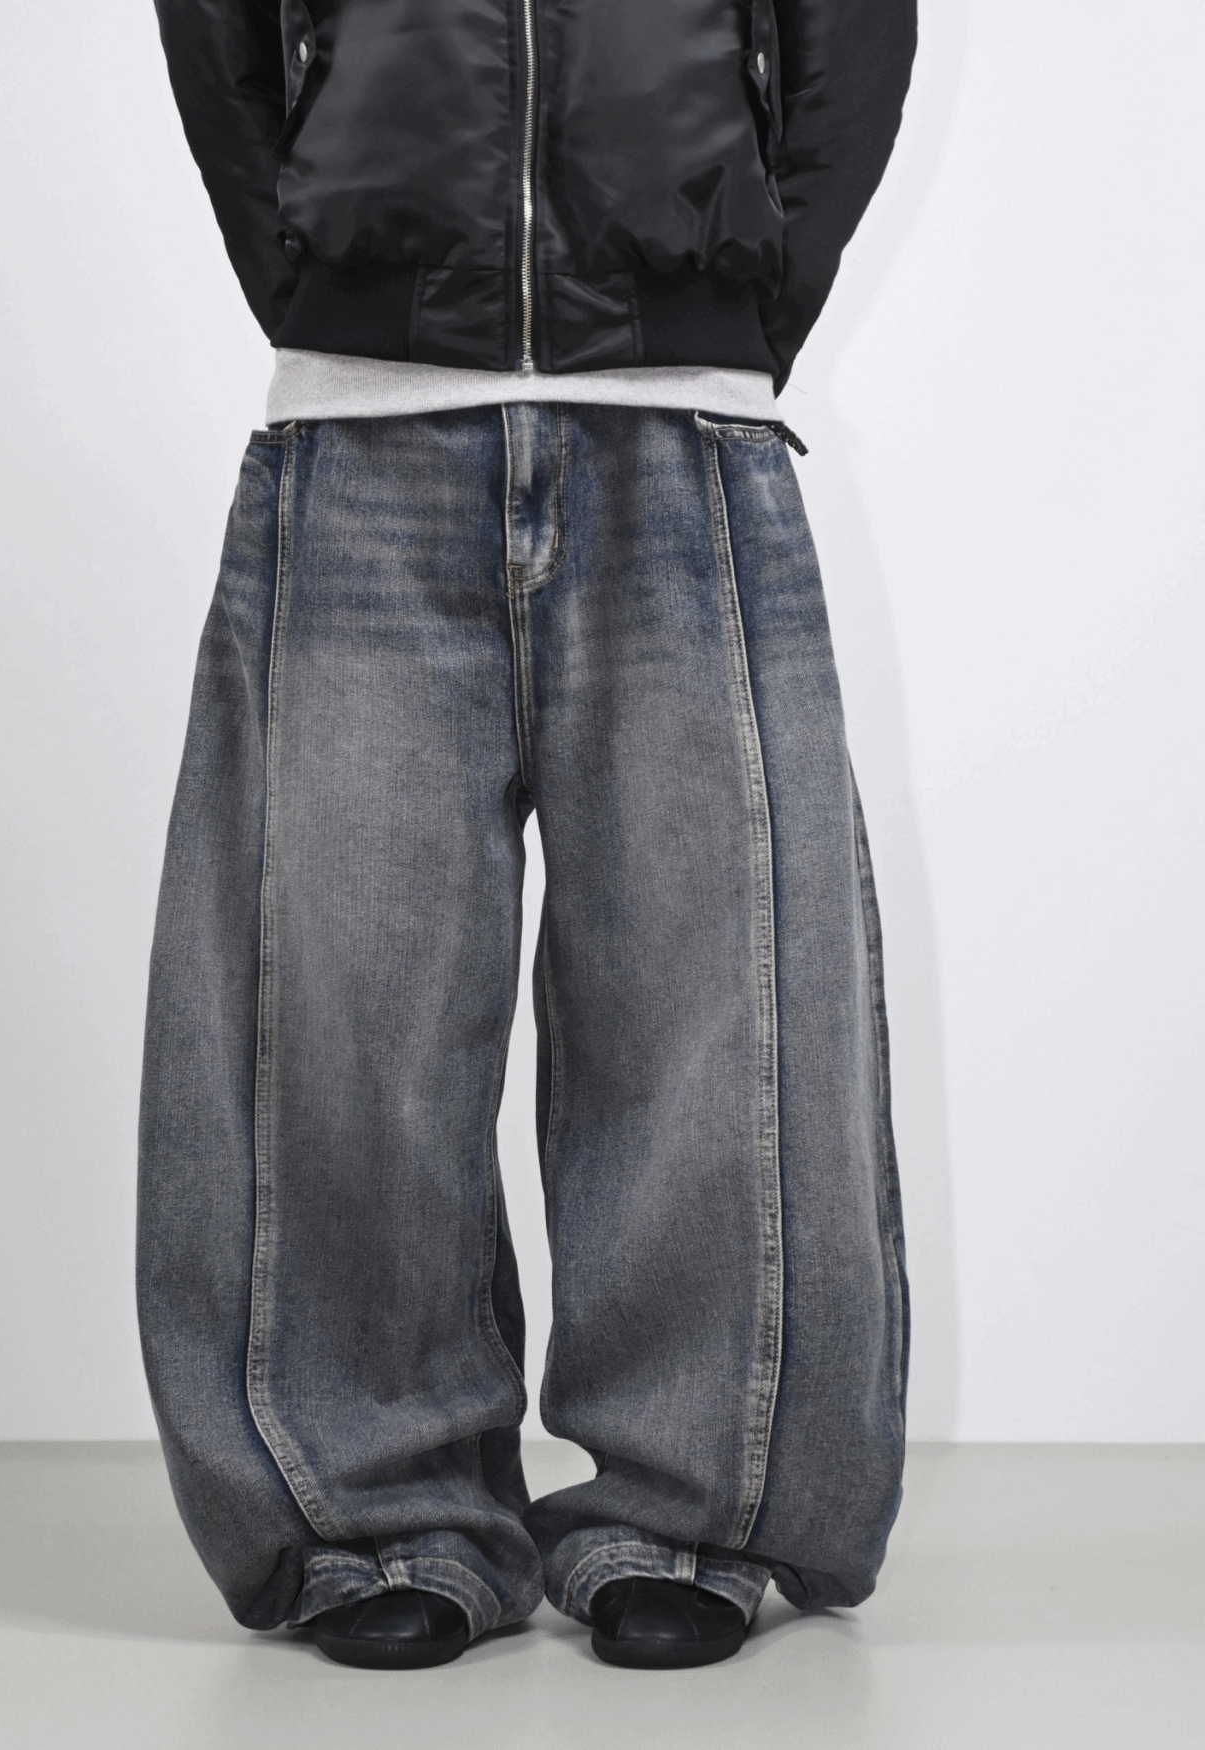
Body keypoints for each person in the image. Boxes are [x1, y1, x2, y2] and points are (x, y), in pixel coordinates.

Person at [137, 0, 916, 1672]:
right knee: (336, 997)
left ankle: (689, 1512)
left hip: (683, 408)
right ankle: (379, 1514)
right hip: (366, 411)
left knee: (715, 989)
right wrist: (318, 257)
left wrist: (741, 287)